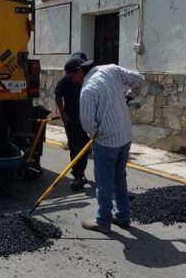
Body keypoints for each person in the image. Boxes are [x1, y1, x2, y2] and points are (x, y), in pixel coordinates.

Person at [65, 58, 144, 233]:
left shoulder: (88, 90)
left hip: (106, 142)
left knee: (103, 182)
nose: (73, 81)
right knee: (119, 177)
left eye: (72, 76)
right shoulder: (111, 70)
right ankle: (123, 216)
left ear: (79, 71)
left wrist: (94, 135)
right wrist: (129, 96)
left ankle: (103, 221)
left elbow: (86, 122)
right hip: (125, 136)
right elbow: (138, 80)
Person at [54, 52, 91, 190]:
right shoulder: (66, 79)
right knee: (75, 147)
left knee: (85, 146)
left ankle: (81, 172)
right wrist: (63, 113)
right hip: (72, 119)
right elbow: (58, 95)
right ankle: (77, 176)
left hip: (86, 120)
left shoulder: (87, 78)